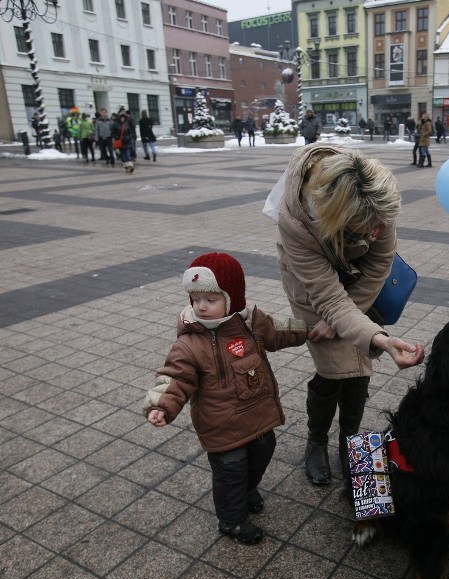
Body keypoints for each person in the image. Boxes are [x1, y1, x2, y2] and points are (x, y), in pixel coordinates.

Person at [274, 144, 425, 486]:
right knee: (333, 366)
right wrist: (363, 330)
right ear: (337, 217)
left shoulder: (374, 200)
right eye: (367, 229)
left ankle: (349, 440)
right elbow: (326, 295)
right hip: (310, 288)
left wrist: (373, 336)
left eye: (380, 226)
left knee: (358, 361)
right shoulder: (295, 221)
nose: (378, 233)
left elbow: (377, 267)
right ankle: (317, 441)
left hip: (358, 283)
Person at [144, 252, 308, 544]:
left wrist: (310, 330)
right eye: (195, 300)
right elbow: (175, 377)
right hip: (220, 426)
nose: (201, 307)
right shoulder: (189, 342)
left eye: (211, 299)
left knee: (264, 450)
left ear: (233, 299)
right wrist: (161, 404)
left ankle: (247, 489)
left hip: (257, 416)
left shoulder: (250, 323)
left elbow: (279, 332)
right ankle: (232, 522)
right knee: (230, 472)